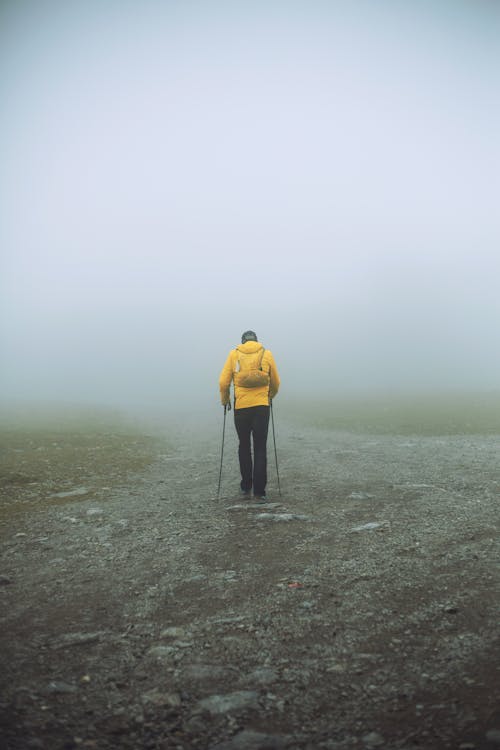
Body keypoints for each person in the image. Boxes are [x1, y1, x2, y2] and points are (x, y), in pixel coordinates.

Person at [219, 331, 280, 501]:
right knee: (260, 447)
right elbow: (276, 381)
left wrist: (225, 400)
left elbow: (223, 382)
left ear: (243, 341)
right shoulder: (266, 353)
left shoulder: (234, 354)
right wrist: (269, 396)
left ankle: (246, 486)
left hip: (241, 407)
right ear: (256, 341)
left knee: (244, 446)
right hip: (261, 407)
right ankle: (260, 492)